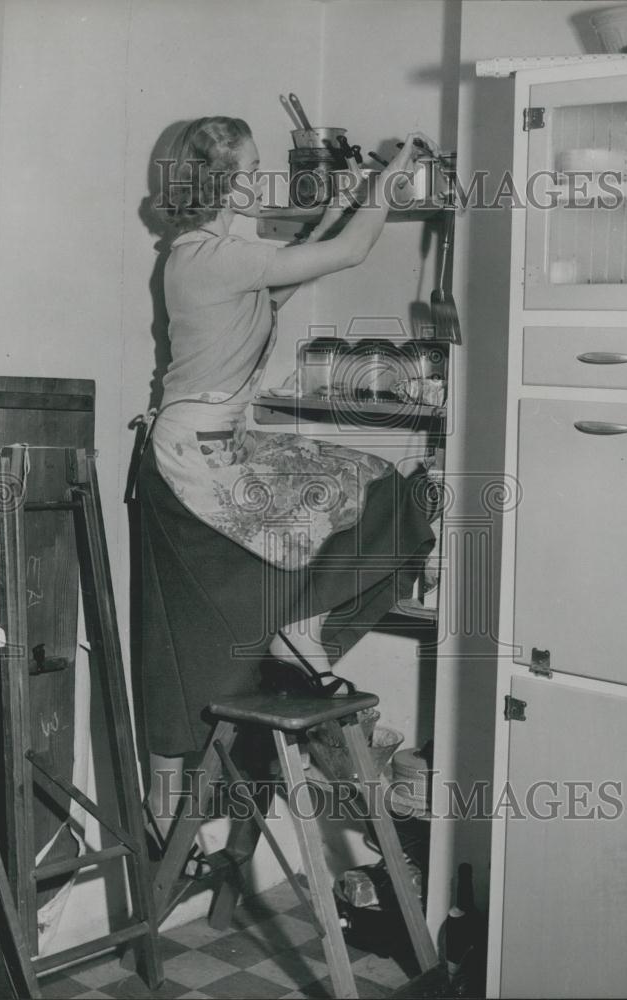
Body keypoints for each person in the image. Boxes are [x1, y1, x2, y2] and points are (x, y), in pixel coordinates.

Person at [137, 116, 438, 838]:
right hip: (195, 461)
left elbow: (279, 287)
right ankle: (296, 631)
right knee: (372, 493)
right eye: (250, 166)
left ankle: (297, 626)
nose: (257, 176)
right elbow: (353, 250)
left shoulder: (204, 252)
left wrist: (351, 194)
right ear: (221, 180)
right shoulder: (214, 258)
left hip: (216, 444)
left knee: (373, 482)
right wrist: (391, 182)